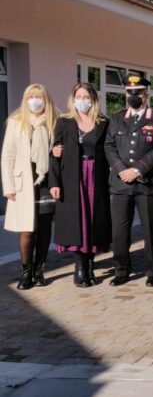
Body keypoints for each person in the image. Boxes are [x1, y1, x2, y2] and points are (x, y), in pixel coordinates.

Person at [105, 75, 153, 287]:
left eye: (138, 93)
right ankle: (122, 270)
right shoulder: (115, 118)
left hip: (148, 183)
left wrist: (138, 170)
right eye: (130, 93)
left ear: (146, 95)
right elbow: (109, 147)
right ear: (125, 94)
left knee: (150, 230)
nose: (134, 96)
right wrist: (122, 170)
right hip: (120, 183)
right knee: (119, 231)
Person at [49, 83, 111, 287]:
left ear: (93, 99)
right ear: (73, 99)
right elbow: (54, 154)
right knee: (78, 220)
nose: (82, 100)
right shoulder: (64, 121)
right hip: (71, 177)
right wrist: (54, 182)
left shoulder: (103, 122)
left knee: (94, 219)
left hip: (96, 175)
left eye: (86, 97)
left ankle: (91, 265)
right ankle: (80, 267)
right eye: (79, 96)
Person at [1, 84, 58, 290]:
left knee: (43, 229)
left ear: (46, 99)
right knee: (26, 230)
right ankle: (26, 271)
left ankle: (39, 268)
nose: (35, 100)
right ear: (25, 100)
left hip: (46, 183)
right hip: (23, 183)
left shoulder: (54, 121)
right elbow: (7, 156)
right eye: (31, 97)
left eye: (39, 96)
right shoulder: (16, 122)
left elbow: (60, 151)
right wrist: (8, 186)